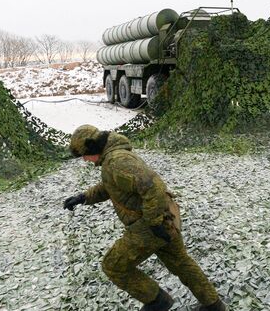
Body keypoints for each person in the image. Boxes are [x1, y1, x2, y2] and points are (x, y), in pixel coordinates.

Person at [63, 125, 227, 311]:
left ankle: (157, 301)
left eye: (84, 155)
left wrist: (154, 222)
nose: (85, 160)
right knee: (181, 263)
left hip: (150, 223)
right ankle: (214, 306)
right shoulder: (113, 157)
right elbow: (112, 184)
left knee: (113, 266)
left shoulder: (117, 161)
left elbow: (153, 186)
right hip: (165, 217)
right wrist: (84, 197)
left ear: (92, 147)